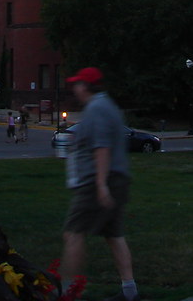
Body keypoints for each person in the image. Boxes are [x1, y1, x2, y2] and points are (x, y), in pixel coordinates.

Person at [59, 67, 139, 301]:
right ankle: (130, 291)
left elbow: (102, 147)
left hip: (97, 182)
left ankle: (66, 293)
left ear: (85, 86)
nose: (75, 88)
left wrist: (101, 184)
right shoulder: (107, 106)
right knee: (114, 235)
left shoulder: (97, 108)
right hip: (115, 179)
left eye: (77, 84)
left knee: (73, 233)